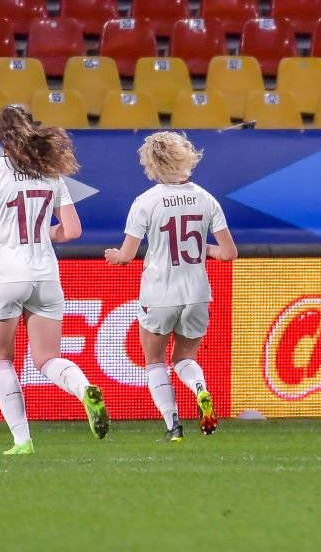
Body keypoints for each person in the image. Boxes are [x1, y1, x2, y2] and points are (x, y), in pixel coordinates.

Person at [0, 104, 110, 455]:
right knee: (46, 358)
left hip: (4, 275)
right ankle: (83, 386)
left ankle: (22, 441)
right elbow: (72, 230)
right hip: (45, 275)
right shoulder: (51, 173)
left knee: (0, 360)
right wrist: (42, 234)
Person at [104, 131, 237, 442]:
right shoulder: (206, 199)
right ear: (185, 158)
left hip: (160, 294)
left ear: (151, 164)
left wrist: (114, 256)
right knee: (185, 360)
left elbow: (126, 256)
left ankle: (173, 426)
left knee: (154, 361)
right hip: (196, 294)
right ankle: (200, 390)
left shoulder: (145, 202)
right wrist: (205, 249)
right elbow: (229, 253)